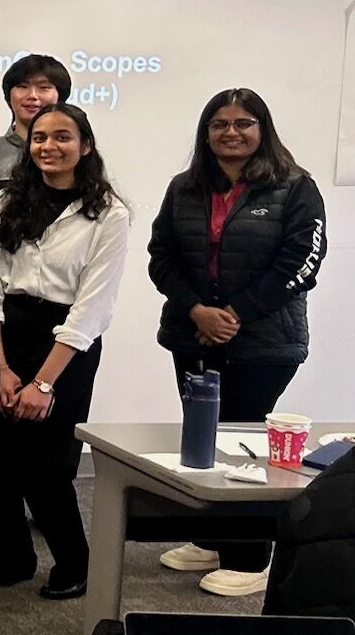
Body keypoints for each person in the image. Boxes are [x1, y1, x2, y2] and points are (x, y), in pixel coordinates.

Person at [149, 88, 327, 597]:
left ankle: (251, 557)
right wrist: (197, 310)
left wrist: (235, 315)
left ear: (262, 128)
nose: (231, 132)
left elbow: (302, 263)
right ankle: (211, 535)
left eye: (243, 123)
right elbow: (161, 257)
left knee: (243, 442)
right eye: (219, 123)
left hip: (265, 341)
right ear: (206, 133)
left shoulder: (295, 187)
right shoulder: (185, 187)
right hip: (192, 333)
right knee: (202, 437)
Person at [0, 104, 130, 601]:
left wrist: (42, 382)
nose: (49, 146)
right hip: (5, 333)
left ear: (85, 146)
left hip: (66, 344)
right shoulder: (5, 203)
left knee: (48, 464)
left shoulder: (108, 213)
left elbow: (91, 308)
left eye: (63, 137)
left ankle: (76, 563)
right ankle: (9, 559)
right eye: (40, 137)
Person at [0, 54, 68, 193]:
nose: (32, 95)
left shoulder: (72, 152)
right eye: (22, 86)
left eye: (43, 87)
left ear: (60, 96)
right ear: (8, 96)